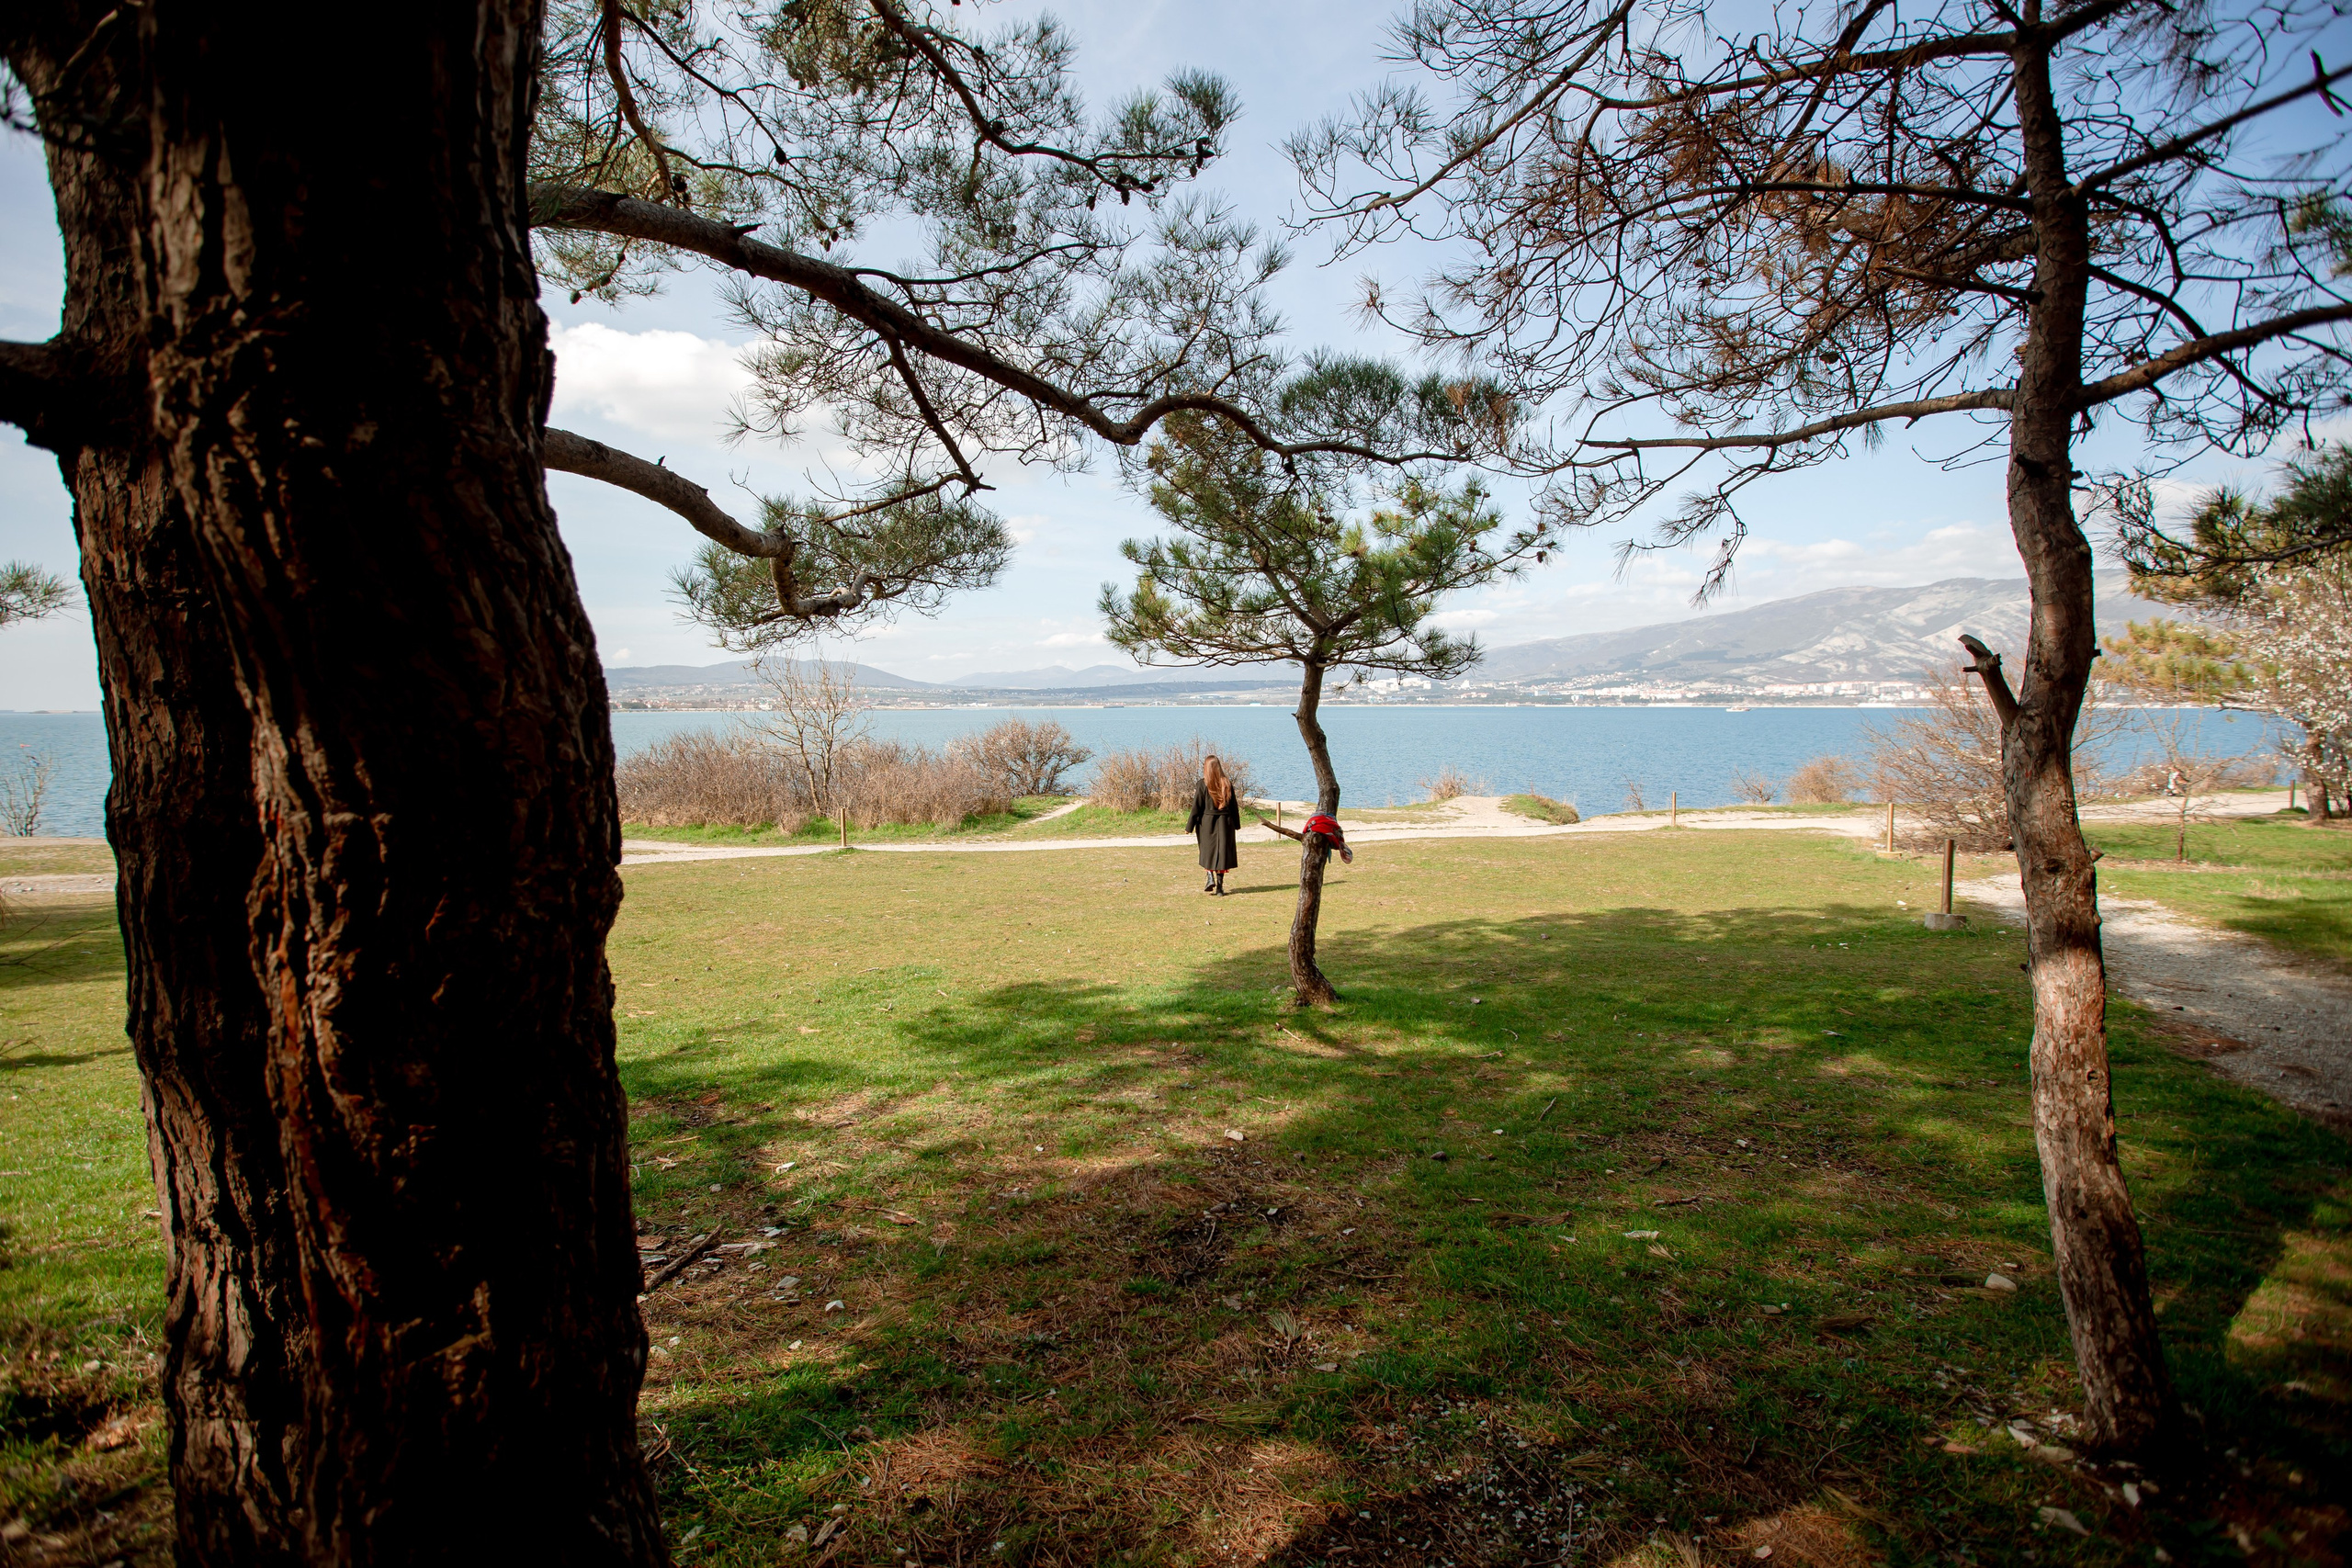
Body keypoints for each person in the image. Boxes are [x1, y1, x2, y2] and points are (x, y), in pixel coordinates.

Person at [1186, 754, 1241, 895]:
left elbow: (1196, 807)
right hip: (1225, 823)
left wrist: (1189, 826)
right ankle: (1220, 888)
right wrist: (1236, 824)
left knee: (1208, 851)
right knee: (1222, 854)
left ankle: (1210, 876)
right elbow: (1234, 806)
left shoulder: (1202, 784)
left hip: (1207, 823)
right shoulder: (1227, 784)